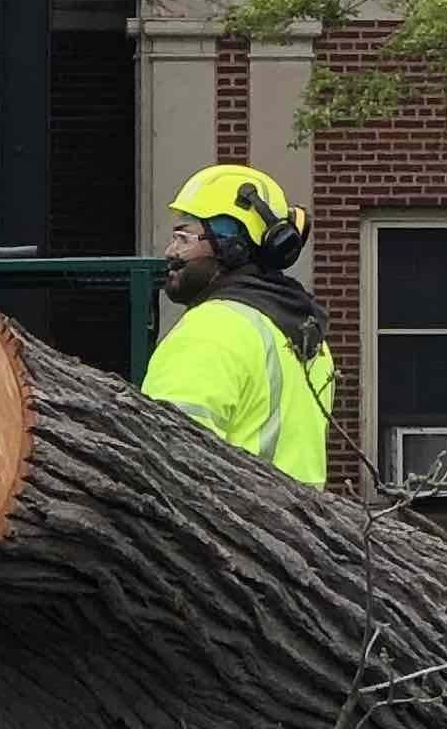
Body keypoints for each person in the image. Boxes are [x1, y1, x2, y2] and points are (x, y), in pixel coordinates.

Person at [142, 164, 336, 487]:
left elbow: (165, 467)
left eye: (183, 236)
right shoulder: (310, 338)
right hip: (296, 533)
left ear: (230, 245)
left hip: (218, 533)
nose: (171, 250)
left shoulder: (208, 331)